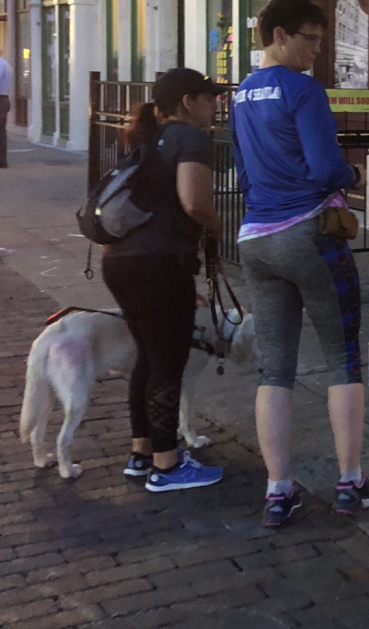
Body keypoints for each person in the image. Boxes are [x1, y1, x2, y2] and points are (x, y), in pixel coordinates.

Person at [231, 0, 369, 528]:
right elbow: (323, 168)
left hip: (256, 239)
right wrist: (352, 175)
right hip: (309, 233)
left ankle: (278, 491)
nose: (318, 50)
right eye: (310, 39)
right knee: (343, 359)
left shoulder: (242, 93)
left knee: (275, 369)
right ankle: (350, 482)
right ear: (279, 37)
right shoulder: (304, 90)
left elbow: (244, 173)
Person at [102, 68, 225, 492]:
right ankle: (168, 465)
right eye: (209, 98)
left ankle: (143, 452)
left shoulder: (145, 140)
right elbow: (193, 201)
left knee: (149, 357)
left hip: (120, 260)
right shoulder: (190, 138)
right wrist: (217, 226)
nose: (215, 105)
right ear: (188, 102)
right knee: (169, 361)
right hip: (160, 264)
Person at [0, 52, 12, 167]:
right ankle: (2, 160)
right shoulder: (7, 65)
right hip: (4, 98)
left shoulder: (1, 65)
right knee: (1, 132)